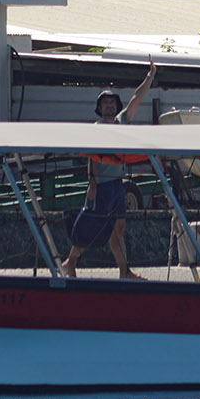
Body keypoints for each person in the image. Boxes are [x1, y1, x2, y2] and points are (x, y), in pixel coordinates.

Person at [63, 66, 157, 279]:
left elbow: (136, 97)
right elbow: (93, 157)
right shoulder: (97, 127)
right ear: (99, 107)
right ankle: (71, 261)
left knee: (119, 228)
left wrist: (150, 75)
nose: (109, 105)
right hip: (102, 184)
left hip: (117, 184)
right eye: (105, 102)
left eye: (112, 102)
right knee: (92, 226)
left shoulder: (122, 122)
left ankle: (124, 271)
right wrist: (92, 182)